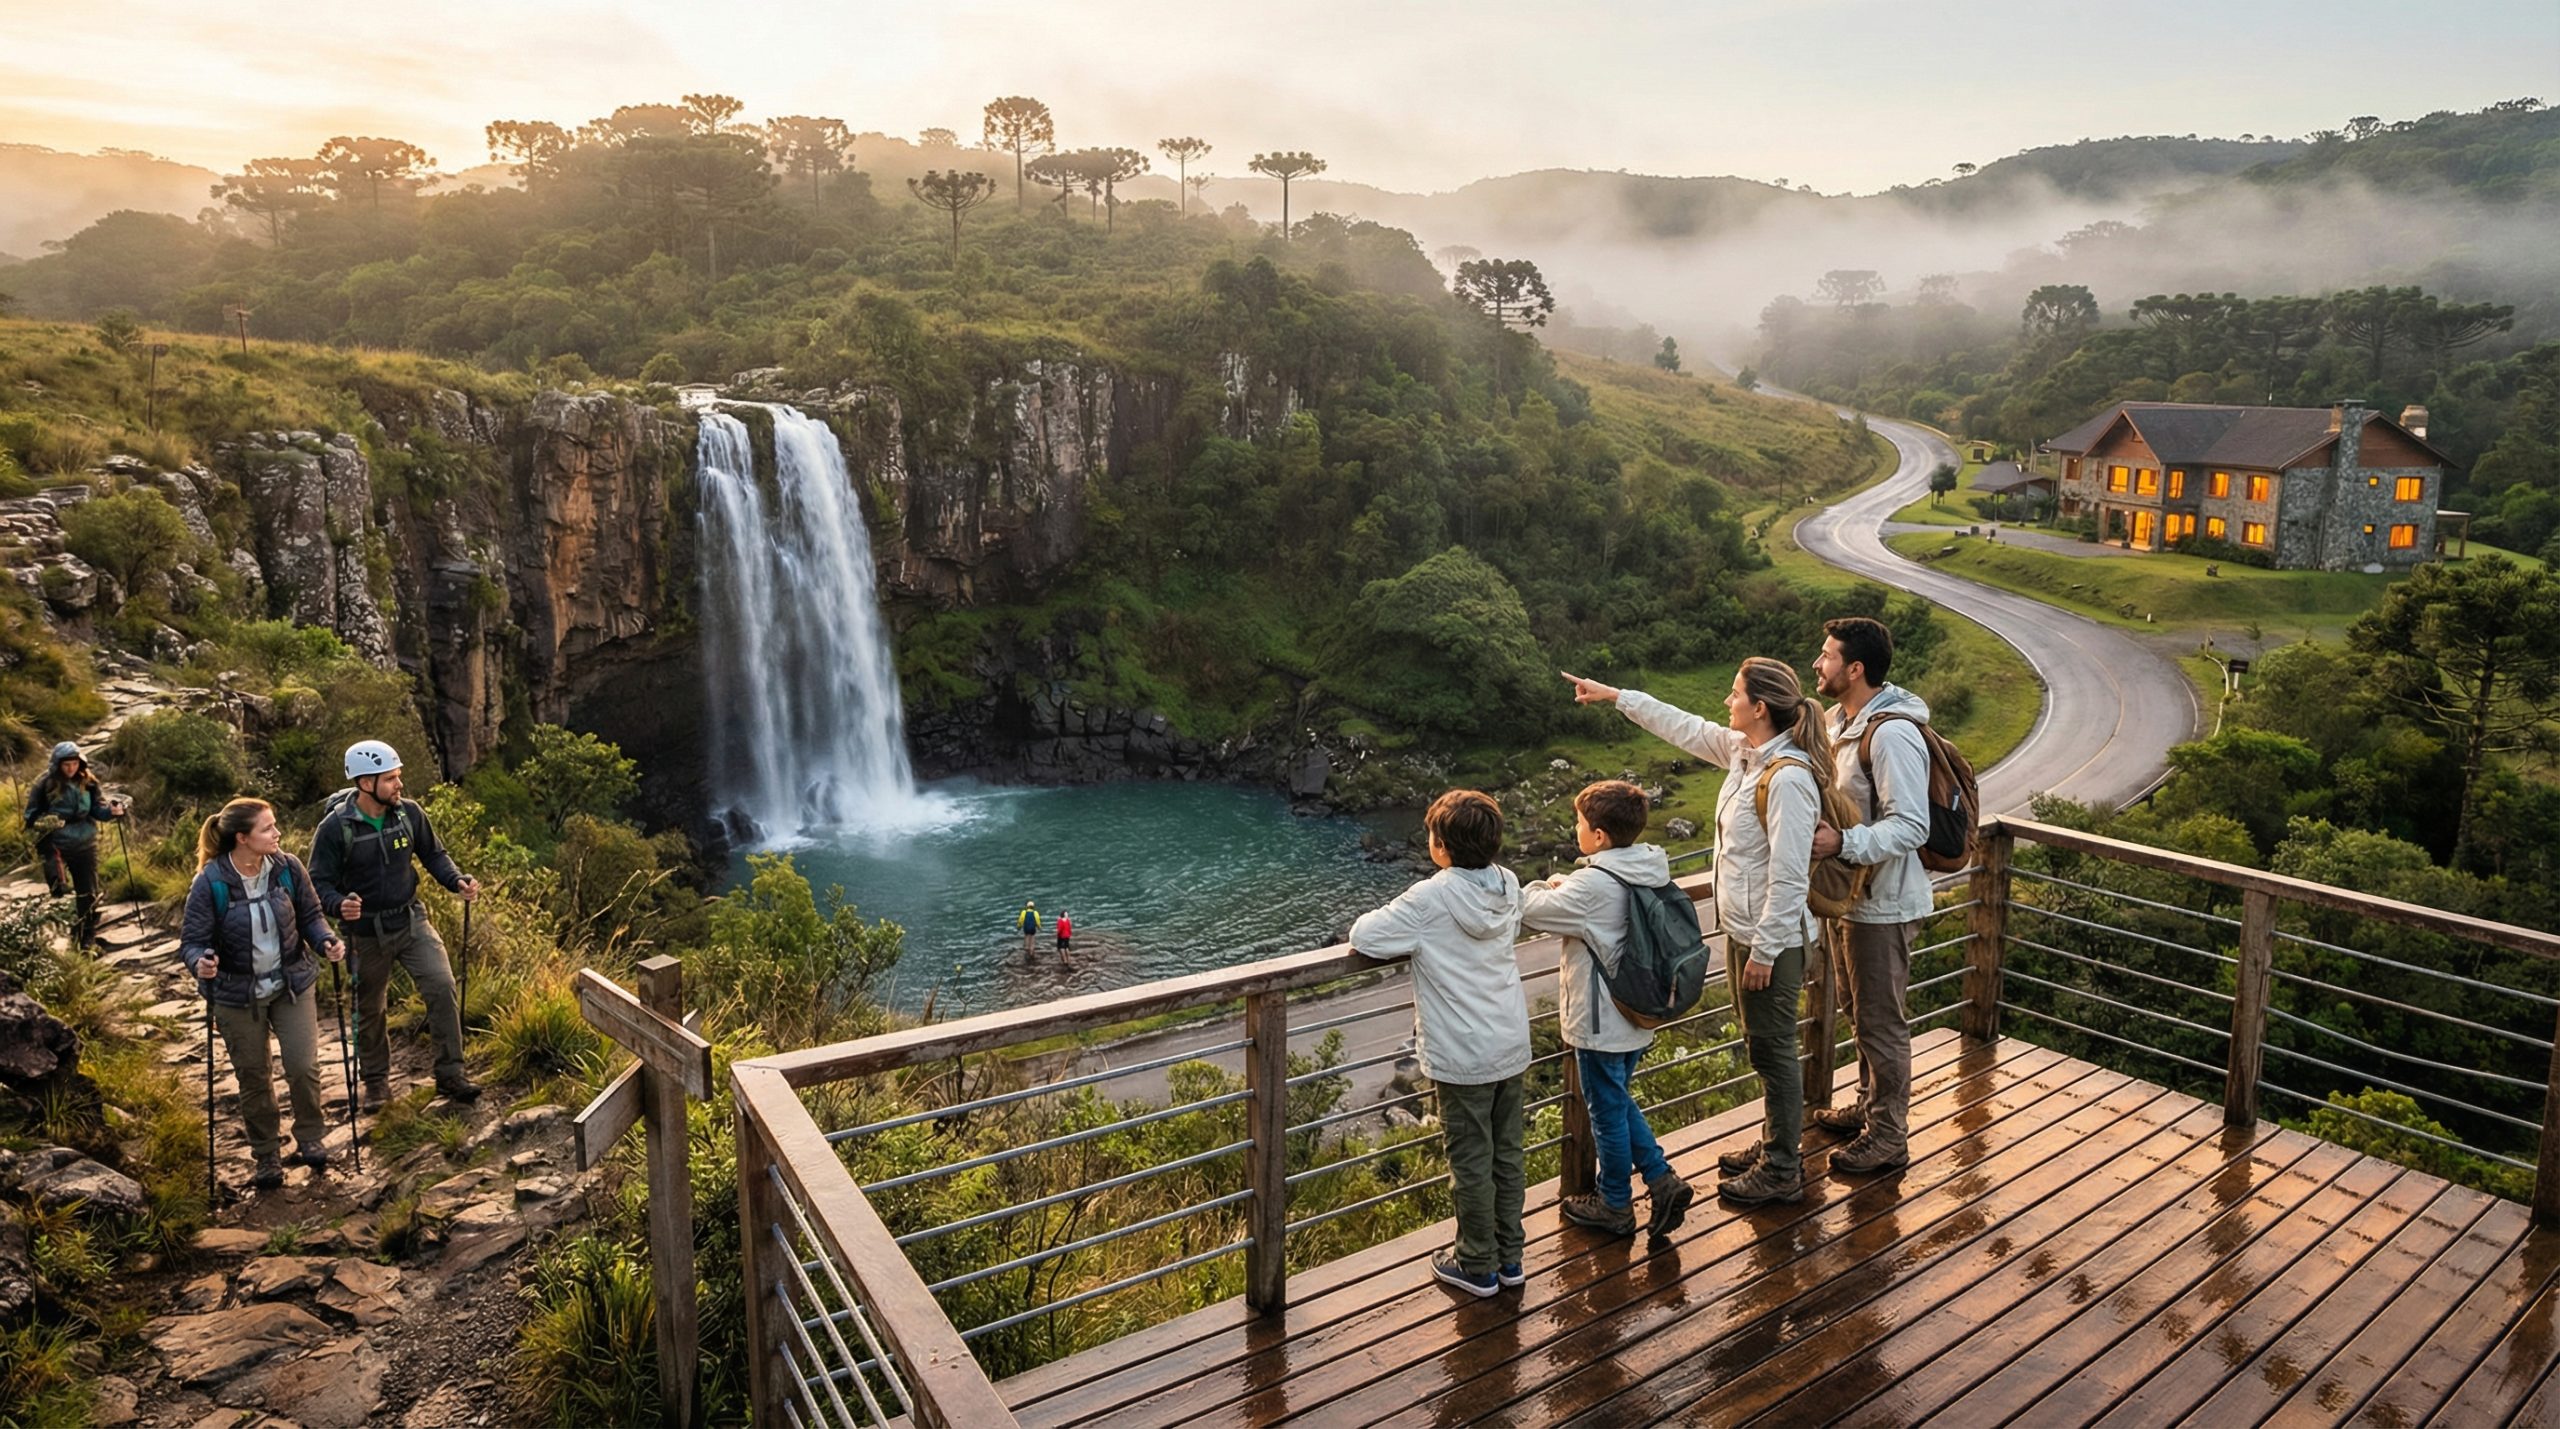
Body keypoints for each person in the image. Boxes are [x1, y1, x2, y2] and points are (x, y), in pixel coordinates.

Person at [1564, 658, 1829, 1205]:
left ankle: (1783, 1168)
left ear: (1759, 708)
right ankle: (1775, 1142)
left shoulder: (1789, 778)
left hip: (1769, 941)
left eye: (1734, 695)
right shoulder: (1742, 753)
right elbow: (1681, 724)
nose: (1725, 703)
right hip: (1745, 932)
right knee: (1761, 1045)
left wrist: (1765, 949)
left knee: (1774, 1051)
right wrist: (1616, 696)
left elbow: (1789, 874)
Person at [1350, 789, 1529, 1296]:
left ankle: (1477, 1264)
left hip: (1462, 1054)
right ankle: (1509, 1258)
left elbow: (1365, 935)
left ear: (1441, 847)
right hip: (1509, 1041)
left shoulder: (1431, 897)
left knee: (1470, 1159)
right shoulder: (1508, 883)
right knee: (1507, 1153)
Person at [1522, 780, 1697, 1238]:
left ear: (1598, 836)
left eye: (1579, 823)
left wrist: (1547, 882)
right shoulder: (1648, 867)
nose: (1575, 829)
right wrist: (1572, 885)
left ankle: (1616, 1203)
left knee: (1605, 1111)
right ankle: (1661, 1180)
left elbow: (1531, 910)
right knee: (1616, 1101)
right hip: (1639, 1009)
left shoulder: (1593, 884)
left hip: (1601, 1018)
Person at [1808, 617, 1933, 1174]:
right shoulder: (1840, 721)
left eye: (1828, 656)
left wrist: (1844, 841)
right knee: (1857, 1010)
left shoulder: (1893, 733)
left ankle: (1889, 1135)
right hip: (1851, 899)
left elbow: (1912, 825)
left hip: (1882, 904)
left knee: (1882, 1021)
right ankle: (1867, 1107)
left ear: (1855, 669)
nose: (1818, 663)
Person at [181, 798, 344, 1189]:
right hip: (236, 994)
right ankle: (266, 1154)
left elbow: (311, 916)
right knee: (254, 1076)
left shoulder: (287, 868)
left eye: (275, 826)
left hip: (292, 983)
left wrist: (325, 942)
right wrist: (200, 962)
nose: (277, 834)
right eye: (268, 829)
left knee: (303, 1066)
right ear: (242, 838)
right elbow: (191, 941)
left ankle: (310, 1137)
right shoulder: (211, 882)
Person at [309, 740, 480, 1109]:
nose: (399, 785)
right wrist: (339, 905)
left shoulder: (410, 813)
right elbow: (317, 883)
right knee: (369, 1008)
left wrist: (456, 881)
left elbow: (433, 854)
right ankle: (375, 1083)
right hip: (365, 933)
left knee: (441, 985)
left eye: (398, 777)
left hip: (410, 919)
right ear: (365, 783)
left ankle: (451, 1074)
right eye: (390, 779)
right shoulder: (335, 829)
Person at [23, 741, 127, 949]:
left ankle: (85, 937)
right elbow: (30, 816)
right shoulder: (45, 785)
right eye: (66, 765)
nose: (71, 769)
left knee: (88, 891)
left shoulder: (89, 783)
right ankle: (48, 934)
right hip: (54, 844)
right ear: (57, 765)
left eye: (74, 764)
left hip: (84, 842)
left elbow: (98, 810)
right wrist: (48, 822)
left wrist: (112, 813)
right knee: (59, 889)